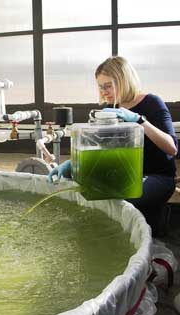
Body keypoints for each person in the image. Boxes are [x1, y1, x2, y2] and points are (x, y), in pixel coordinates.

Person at [48, 56, 178, 236]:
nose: (104, 91)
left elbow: (172, 148)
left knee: (127, 200)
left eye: (108, 85)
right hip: (123, 174)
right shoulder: (111, 109)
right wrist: (73, 163)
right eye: (100, 87)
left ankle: (154, 230)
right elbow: (100, 146)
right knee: (85, 188)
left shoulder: (152, 103)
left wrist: (139, 120)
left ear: (124, 80)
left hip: (156, 176)